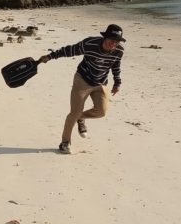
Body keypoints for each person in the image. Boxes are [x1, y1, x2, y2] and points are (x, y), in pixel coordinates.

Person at [38, 23, 126, 154]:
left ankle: (81, 118)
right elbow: (69, 50)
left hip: (100, 83)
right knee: (74, 112)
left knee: (102, 112)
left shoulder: (119, 51)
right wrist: (50, 56)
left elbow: (116, 66)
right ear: (104, 38)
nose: (113, 44)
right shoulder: (90, 44)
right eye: (111, 40)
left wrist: (117, 83)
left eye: (116, 42)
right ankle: (65, 142)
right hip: (82, 80)